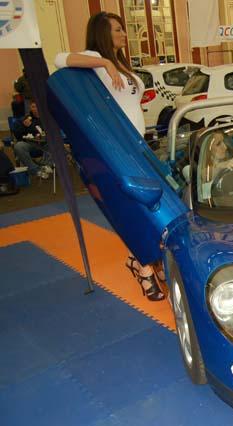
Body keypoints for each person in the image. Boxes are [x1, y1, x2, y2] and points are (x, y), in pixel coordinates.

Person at [55, 12, 164, 301]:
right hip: (117, 149)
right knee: (133, 207)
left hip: (138, 146)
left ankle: (144, 259)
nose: (123, 34)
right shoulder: (96, 59)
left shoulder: (122, 64)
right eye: (117, 30)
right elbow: (60, 59)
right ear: (102, 33)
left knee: (150, 205)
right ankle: (144, 266)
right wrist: (104, 63)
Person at [13, 101, 54, 179]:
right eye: (33, 107)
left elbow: (45, 133)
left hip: (46, 145)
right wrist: (23, 126)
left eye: (37, 106)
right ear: (30, 108)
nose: (35, 109)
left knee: (56, 144)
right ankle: (36, 170)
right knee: (18, 146)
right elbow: (18, 135)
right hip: (32, 145)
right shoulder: (25, 119)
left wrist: (30, 126)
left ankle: (47, 166)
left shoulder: (47, 118)